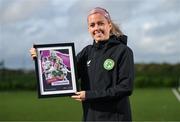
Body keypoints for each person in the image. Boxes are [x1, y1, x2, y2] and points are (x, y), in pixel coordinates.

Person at [30, 7, 134, 121]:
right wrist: (41, 58)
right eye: (92, 25)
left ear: (109, 25)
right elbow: (67, 75)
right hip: (90, 118)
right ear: (89, 29)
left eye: (100, 23)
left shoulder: (123, 51)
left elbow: (125, 88)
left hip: (116, 118)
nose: (97, 28)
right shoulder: (87, 52)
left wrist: (89, 95)